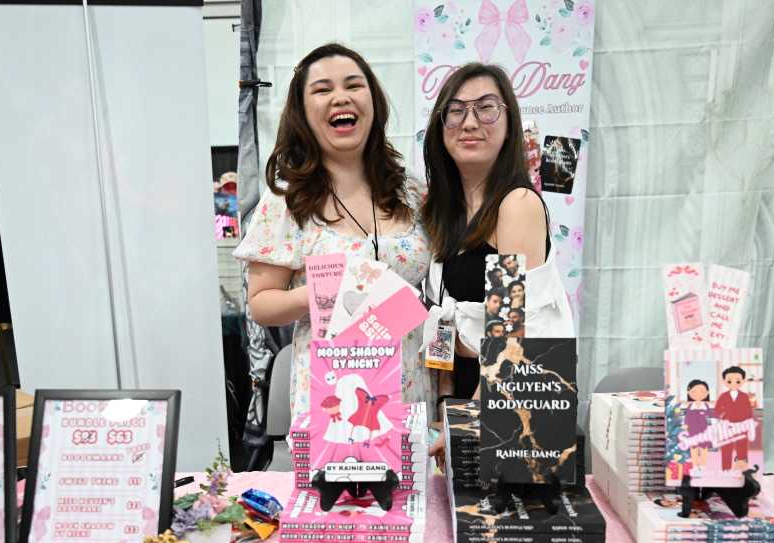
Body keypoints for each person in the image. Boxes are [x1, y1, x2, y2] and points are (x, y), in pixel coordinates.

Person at [237, 43, 432, 419]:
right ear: (303, 111)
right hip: (335, 402)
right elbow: (260, 304)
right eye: (323, 89)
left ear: (372, 100)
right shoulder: (287, 200)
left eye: (353, 85)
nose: (341, 97)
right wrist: (327, 291)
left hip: (410, 390)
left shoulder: (410, 190)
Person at [420, 62, 573, 403]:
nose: (470, 122)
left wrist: (469, 420)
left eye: (486, 108)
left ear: (509, 124)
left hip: (503, 401)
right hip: (462, 394)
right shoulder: (444, 213)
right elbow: (444, 321)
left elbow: (510, 338)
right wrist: (443, 405)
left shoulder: (517, 204)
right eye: (456, 111)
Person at [712, 366, 755, 470]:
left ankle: (742, 469)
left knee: (742, 448)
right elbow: (717, 411)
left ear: (743, 381)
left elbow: (749, 412)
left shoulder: (745, 396)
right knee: (726, 448)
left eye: (738, 381)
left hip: (742, 426)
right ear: (724, 381)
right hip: (727, 427)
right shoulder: (723, 396)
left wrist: (750, 427)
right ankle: (726, 469)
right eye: (729, 381)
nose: (734, 384)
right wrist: (717, 425)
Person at [681, 379, 713, 469]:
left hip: (704, 431)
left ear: (707, 393)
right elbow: (687, 417)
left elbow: (710, 417)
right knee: (694, 448)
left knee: (703, 448)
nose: (698, 394)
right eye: (694, 391)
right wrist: (685, 425)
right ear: (689, 392)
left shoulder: (706, 406)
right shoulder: (690, 406)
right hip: (692, 430)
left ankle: (702, 464)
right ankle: (695, 464)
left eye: (701, 391)